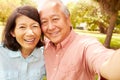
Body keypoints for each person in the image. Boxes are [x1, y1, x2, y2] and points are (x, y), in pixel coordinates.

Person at [38, 0, 120, 80]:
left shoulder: (85, 45)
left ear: (68, 19)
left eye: (55, 19)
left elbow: (107, 64)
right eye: (44, 22)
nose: (50, 27)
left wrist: (111, 67)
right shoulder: (46, 45)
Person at [0, 5, 46, 80]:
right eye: (22, 27)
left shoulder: (45, 55)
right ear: (12, 32)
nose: (30, 33)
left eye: (34, 26)